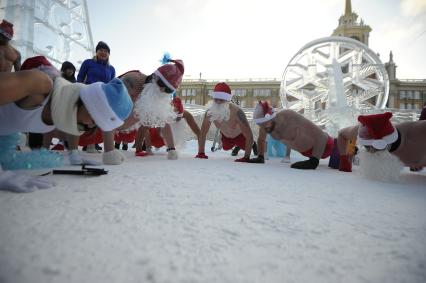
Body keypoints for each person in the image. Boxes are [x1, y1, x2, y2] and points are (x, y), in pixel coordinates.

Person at [0, 57, 133, 167]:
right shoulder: (41, 85)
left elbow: (73, 130)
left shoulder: (66, 114)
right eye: (94, 120)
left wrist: (74, 156)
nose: (90, 126)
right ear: (88, 103)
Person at [249, 100, 335, 169]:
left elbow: (322, 137)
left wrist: (314, 161)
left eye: (264, 124)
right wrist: (260, 156)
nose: (263, 128)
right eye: (260, 125)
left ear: (271, 117)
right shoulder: (266, 125)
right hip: (307, 153)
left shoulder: (289, 117)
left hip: (327, 146)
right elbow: (261, 140)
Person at [337, 112, 426, 173]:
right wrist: (344, 158)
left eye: (370, 148)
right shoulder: (363, 131)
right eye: (365, 147)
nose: (369, 152)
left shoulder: (416, 133)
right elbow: (341, 134)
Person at [132, 58, 185, 160]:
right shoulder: (137, 82)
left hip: (138, 126)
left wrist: (171, 149)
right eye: (161, 83)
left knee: (154, 120)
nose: (162, 89)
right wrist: (141, 149)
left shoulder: (161, 102)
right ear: (154, 77)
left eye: (168, 89)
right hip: (116, 122)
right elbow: (144, 126)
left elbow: (165, 123)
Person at [195, 82, 254, 162]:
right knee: (226, 147)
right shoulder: (210, 112)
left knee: (246, 145)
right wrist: (201, 152)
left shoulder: (237, 111)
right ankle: (234, 144)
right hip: (226, 136)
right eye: (216, 99)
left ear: (227, 100)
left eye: (221, 100)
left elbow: (249, 135)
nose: (218, 102)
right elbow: (203, 133)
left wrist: (246, 157)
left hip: (240, 136)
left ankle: (252, 144)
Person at [77, 41, 116, 152]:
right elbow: (80, 77)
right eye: (101, 50)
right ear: (96, 52)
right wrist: (78, 90)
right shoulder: (88, 63)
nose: (103, 53)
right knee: (86, 118)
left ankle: (91, 144)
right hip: (88, 92)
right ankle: (80, 143)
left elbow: (111, 84)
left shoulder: (111, 69)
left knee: (99, 119)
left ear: (109, 54)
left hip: (103, 96)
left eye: (106, 51)